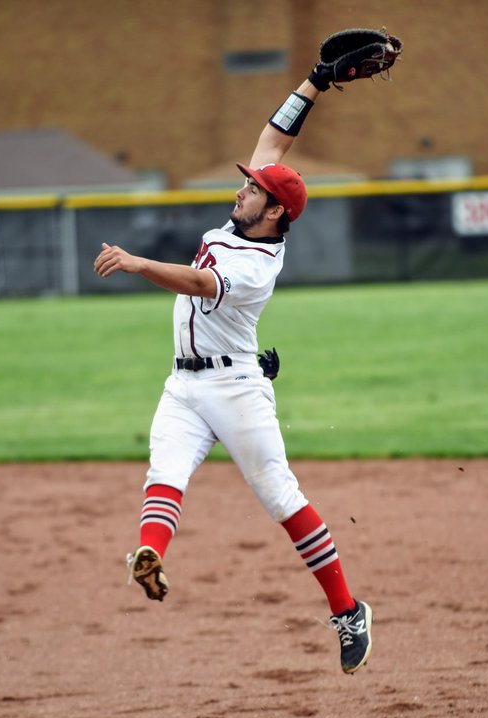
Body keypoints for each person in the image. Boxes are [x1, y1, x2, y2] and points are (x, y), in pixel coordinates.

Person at [93, 72, 373, 675]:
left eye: (252, 192)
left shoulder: (254, 263)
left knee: (281, 498)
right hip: (184, 387)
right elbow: (273, 144)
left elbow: (198, 282)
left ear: (274, 211)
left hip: (237, 389)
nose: (240, 190)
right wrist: (315, 83)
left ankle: (348, 611)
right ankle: (150, 553)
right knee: (164, 471)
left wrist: (139, 263)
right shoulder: (244, 221)